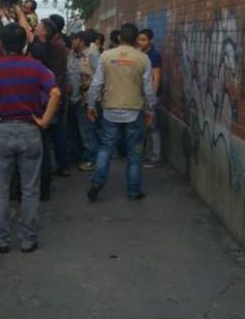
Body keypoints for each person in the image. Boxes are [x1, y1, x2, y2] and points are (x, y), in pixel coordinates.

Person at [0, 23, 61, 253]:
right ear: (24, 44)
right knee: (30, 189)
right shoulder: (36, 67)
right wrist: (45, 121)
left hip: (1, 131)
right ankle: (28, 240)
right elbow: (56, 92)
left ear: (1, 43)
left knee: (0, 189)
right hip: (30, 131)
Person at [86, 23, 156, 202]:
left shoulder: (106, 56)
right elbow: (148, 89)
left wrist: (91, 106)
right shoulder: (143, 59)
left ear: (119, 38)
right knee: (135, 153)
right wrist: (150, 110)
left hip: (110, 110)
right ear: (135, 40)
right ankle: (133, 191)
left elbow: (96, 84)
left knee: (105, 148)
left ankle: (97, 183)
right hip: (134, 111)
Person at [32, 18, 71, 192]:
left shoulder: (52, 48)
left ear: (45, 32)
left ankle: (52, 173)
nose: (35, 28)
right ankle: (62, 166)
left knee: (48, 138)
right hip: (57, 95)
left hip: (51, 99)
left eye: (38, 27)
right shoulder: (60, 44)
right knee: (57, 134)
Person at [70, 32, 99, 171]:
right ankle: (86, 156)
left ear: (81, 41)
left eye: (74, 39)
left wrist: (90, 87)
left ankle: (91, 159)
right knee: (83, 130)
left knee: (87, 130)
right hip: (80, 98)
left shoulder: (92, 55)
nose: (72, 42)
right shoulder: (78, 55)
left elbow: (99, 75)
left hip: (88, 99)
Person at [138, 28, 163, 168]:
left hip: (150, 97)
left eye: (144, 40)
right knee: (146, 126)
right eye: (139, 39)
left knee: (152, 126)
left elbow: (156, 77)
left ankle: (155, 157)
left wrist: (151, 98)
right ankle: (148, 155)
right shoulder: (142, 54)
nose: (140, 42)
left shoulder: (154, 55)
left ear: (150, 41)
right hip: (143, 95)